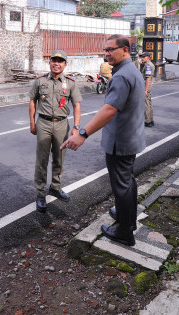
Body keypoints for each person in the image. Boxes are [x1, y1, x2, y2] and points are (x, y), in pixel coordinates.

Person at [60, 35, 145, 247]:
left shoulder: (122, 75)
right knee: (128, 180)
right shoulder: (131, 69)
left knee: (122, 185)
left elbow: (109, 109)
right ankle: (127, 216)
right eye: (105, 50)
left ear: (125, 50)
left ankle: (124, 231)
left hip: (121, 141)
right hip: (130, 137)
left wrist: (83, 133)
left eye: (111, 49)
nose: (106, 53)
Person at [29, 50, 82, 212]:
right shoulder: (40, 81)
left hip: (61, 124)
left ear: (65, 64)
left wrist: (76, 127)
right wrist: (32, 122)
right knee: (42, 160)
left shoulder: (71, 83)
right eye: (54, 60)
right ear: (50, 62)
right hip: (43, 123)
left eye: (60, 61)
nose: (56, 63)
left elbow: (76, 105)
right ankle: (40, 193)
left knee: (59, 157)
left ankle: (56, 187)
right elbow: (32, 101)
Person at [139, 51, 154, 127]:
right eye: (142, 57)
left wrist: (145, 89)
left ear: (148, 57)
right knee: (149, 103)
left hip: (146, 85)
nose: (142, 58)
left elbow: (148, 78)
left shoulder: (148, 65)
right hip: (148, 85)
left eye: (143, 57)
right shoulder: (149, 64)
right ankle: (151, 120)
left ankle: (148, 121)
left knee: (146, 104)